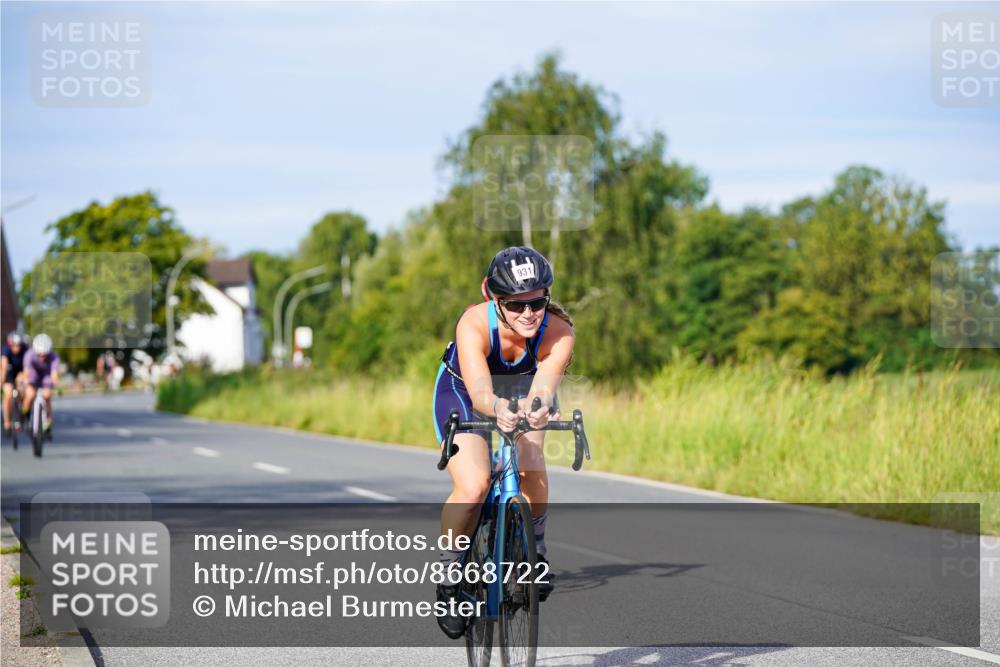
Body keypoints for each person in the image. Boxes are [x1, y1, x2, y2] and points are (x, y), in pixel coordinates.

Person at [432, 246, 574, 638]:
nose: (528, 314)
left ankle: (536, 552)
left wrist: (538, 408)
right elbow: (480, 391)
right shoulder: (474, 323)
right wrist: (496, 408)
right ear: (494, 299)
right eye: (515, 305)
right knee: (474, 484)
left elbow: (542, 388)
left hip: (522, 389)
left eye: (537, 303)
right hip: (465, 393)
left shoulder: (559, 332)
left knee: (531, 459)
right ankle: (449, 576)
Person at [22, 333, 60, 436]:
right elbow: (26, 372)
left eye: (45, 354)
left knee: (47, 395)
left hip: (46, 376)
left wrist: (56, 383)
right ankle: (25, 414)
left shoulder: (54, 357)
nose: (42, 357)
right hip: (33, 374)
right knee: (30, 394)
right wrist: (25, 380)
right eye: (39, 354)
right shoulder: (29, 355)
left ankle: (48, 421)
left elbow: (54, 374)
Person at [2, 333, 27, 435]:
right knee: (8, 395)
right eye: (14, 345)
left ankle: (21, 412)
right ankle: (7, 423)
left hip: (20, 372)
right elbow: (3, 368)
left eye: (18, 345)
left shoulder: (25, 350)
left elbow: (27, 367)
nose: (16, 348)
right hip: (9, 372)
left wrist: (23, 377)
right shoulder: (6, 350)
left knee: (23, 390)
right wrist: (2, 382)